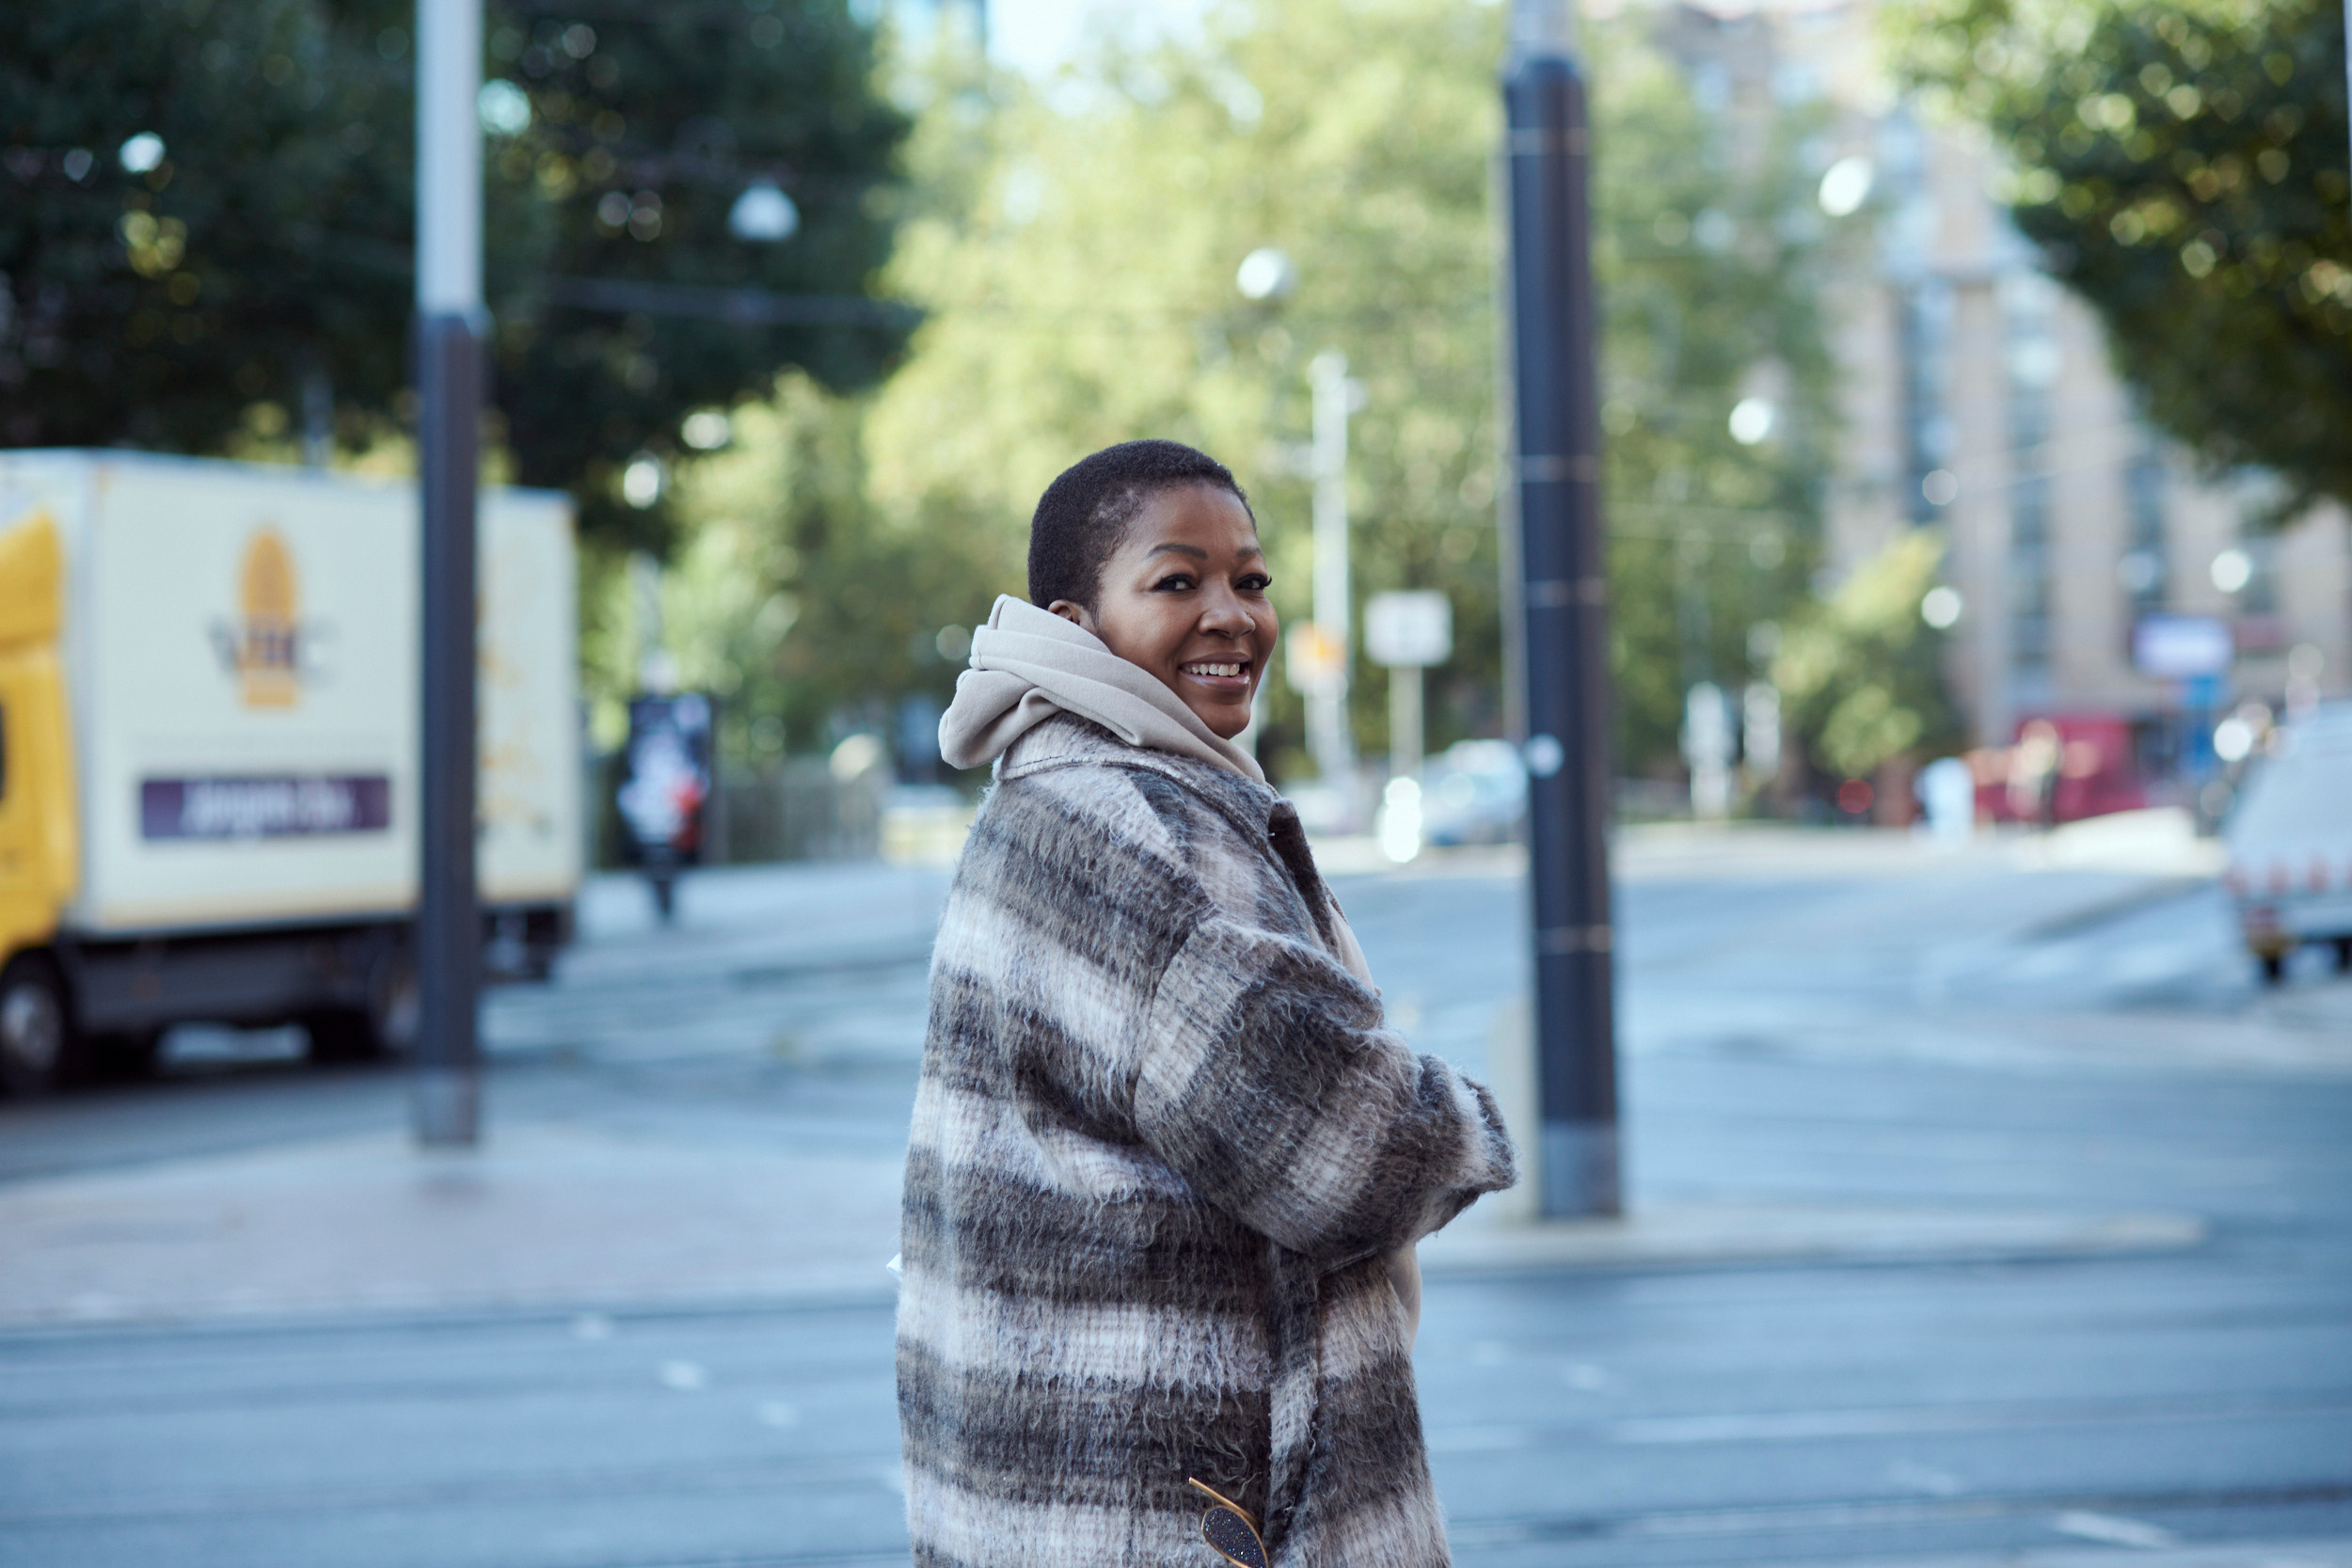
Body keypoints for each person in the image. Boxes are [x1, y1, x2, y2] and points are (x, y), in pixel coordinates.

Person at [898, 439, 1517, 1567]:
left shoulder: (1061, 791)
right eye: (1177, 581)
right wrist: (1474, 1126)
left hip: (1069, 1492)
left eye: (1251, 580)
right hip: (1187, 1508)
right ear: (1077, 621)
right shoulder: (1135, 824)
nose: (1231, 614)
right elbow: (1336, 1149)